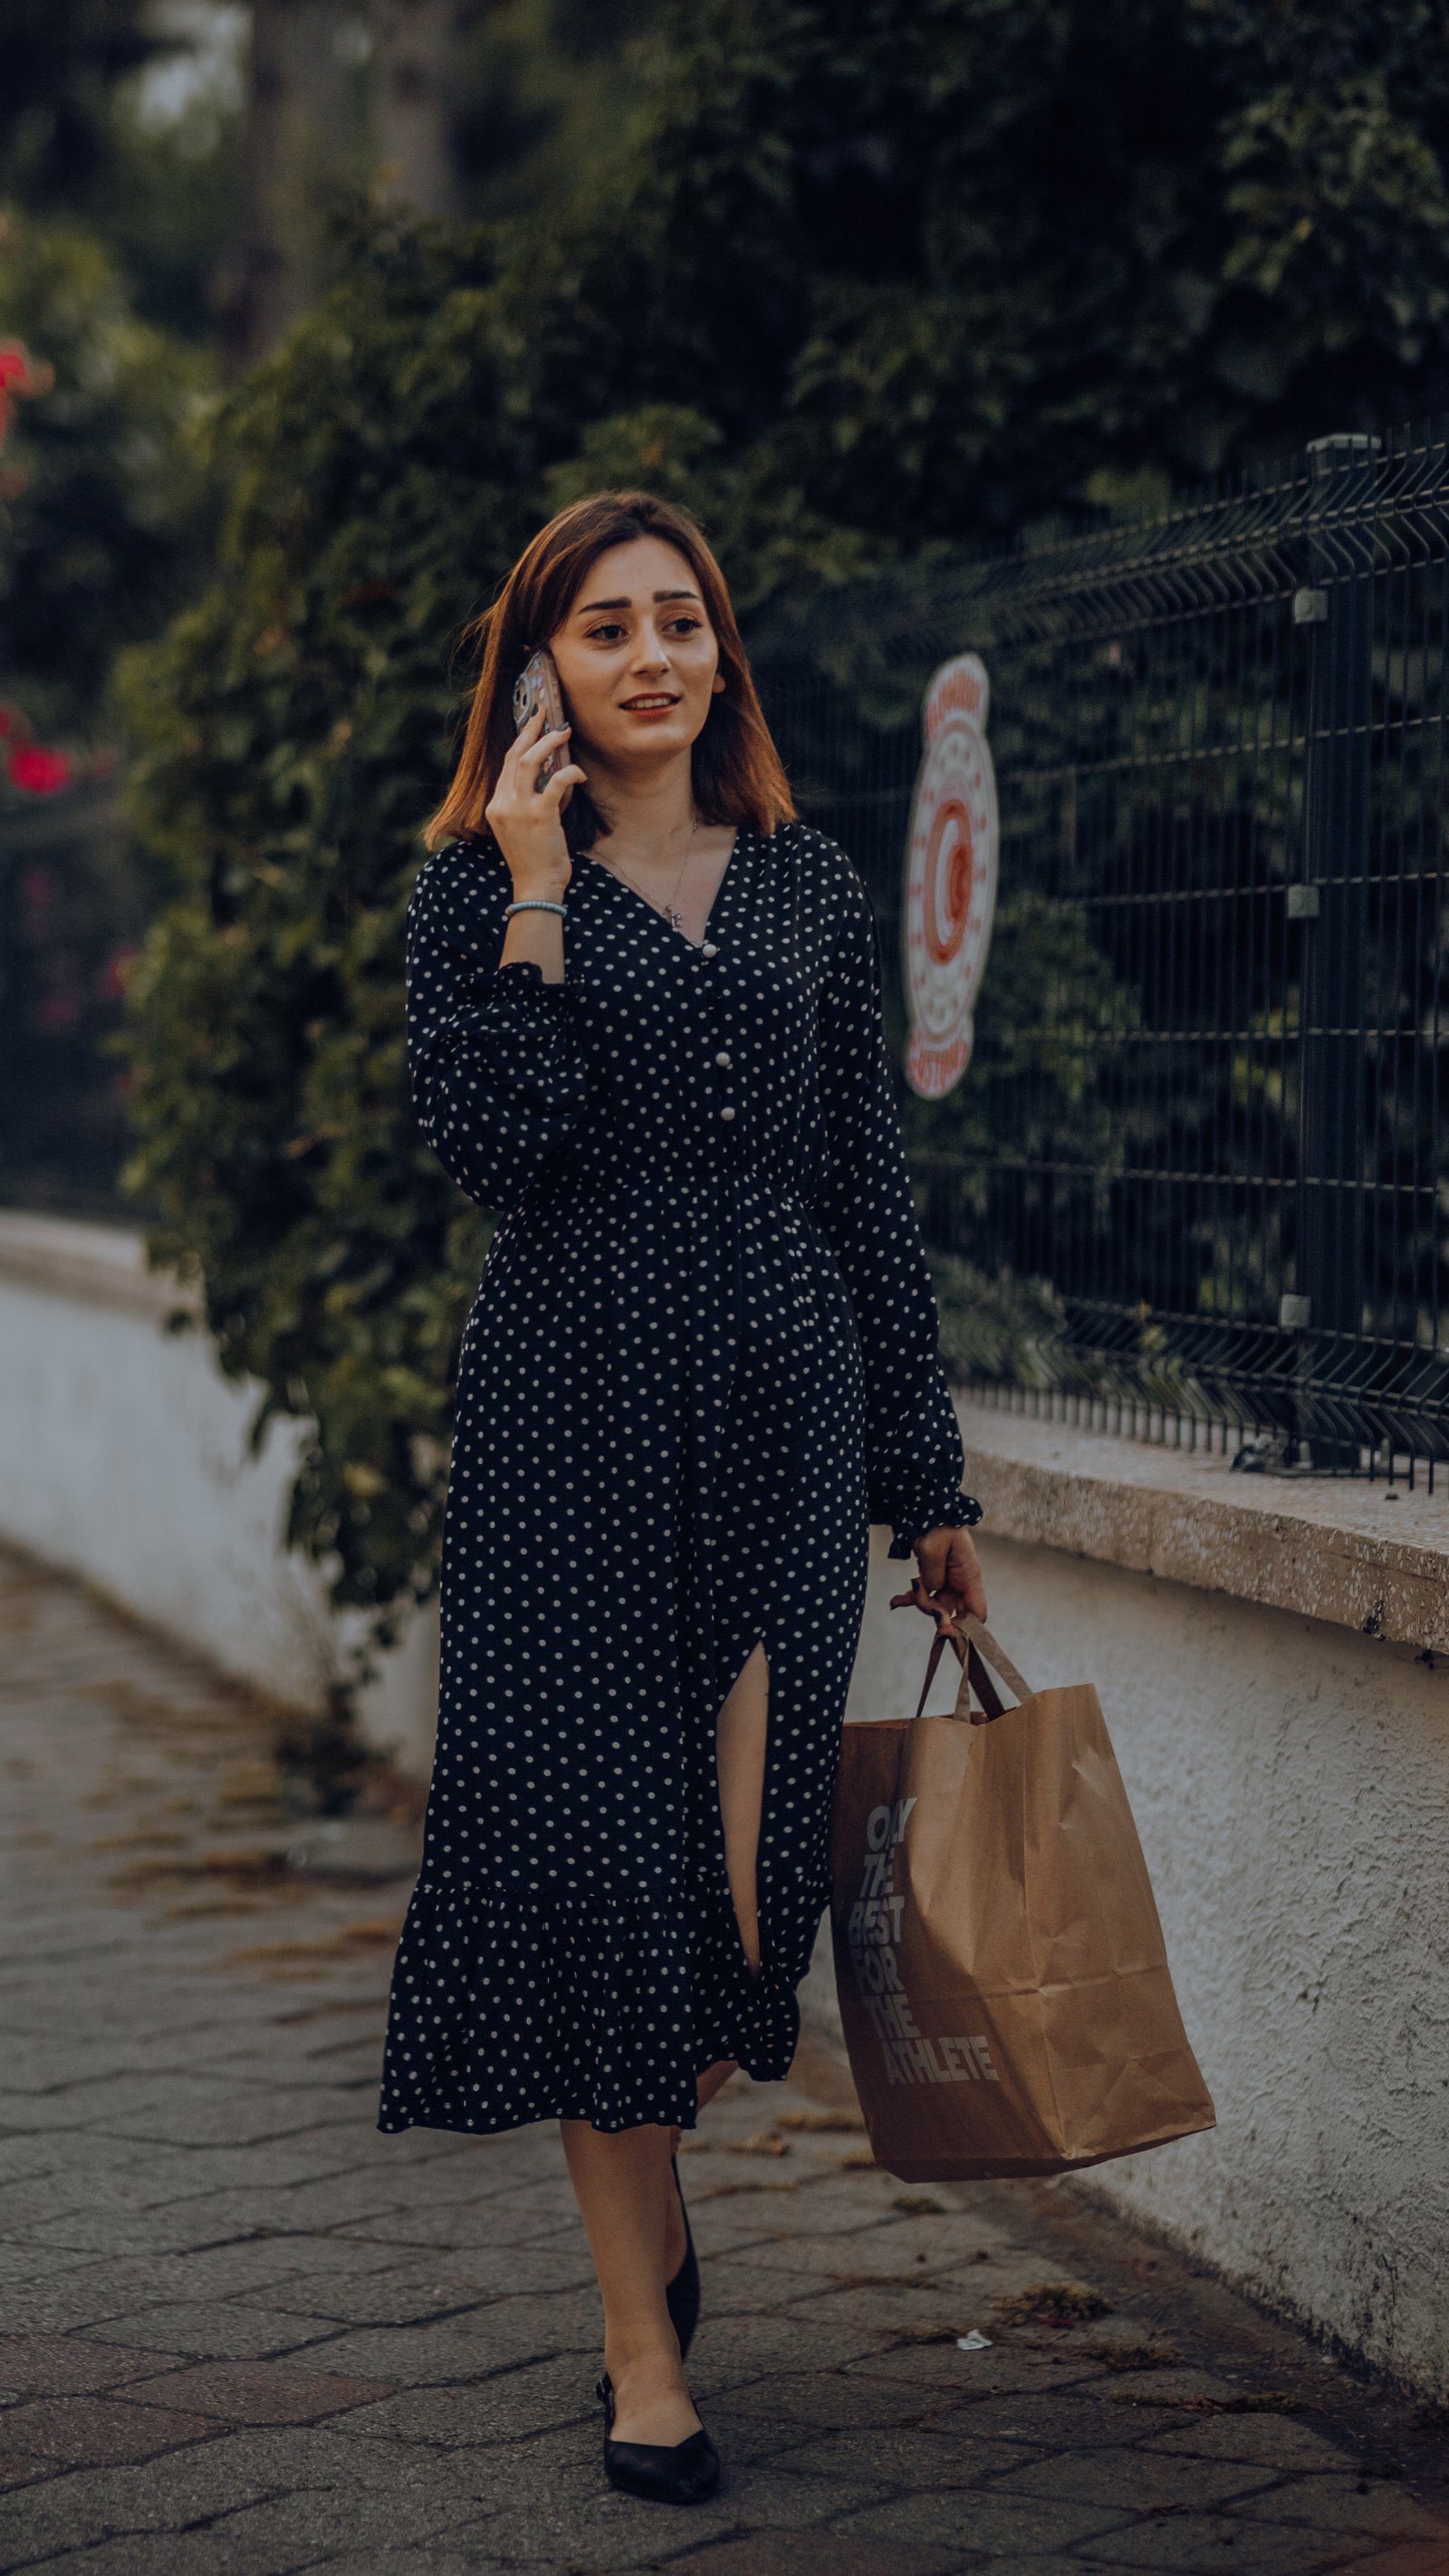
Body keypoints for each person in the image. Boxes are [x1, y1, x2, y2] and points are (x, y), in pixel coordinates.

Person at [378, 490, 986, 2504]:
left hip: (789, 1412)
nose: (650, 654)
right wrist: (540, 887)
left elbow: (864, 1196)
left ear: (719, 650)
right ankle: (640, 2352)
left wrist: (929, 1482)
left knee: (732, 1915)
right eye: (604, 628)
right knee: (594, 1883)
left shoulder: (807, 884)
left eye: (679, 621)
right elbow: (493, 1148)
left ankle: (661, 2164)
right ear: (537, 666)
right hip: (568, 1415)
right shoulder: (472, 889)